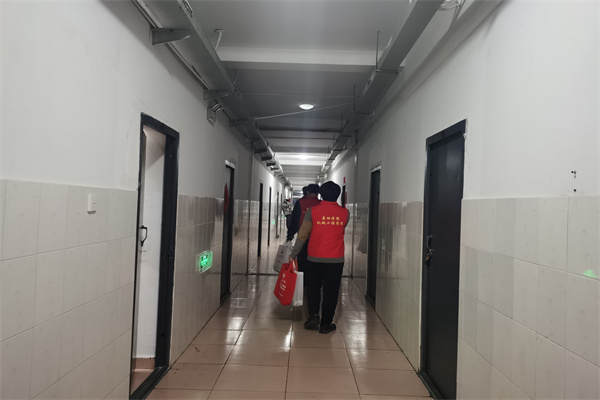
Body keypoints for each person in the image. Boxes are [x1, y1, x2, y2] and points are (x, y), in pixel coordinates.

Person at [290, 181, 349, 334]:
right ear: (338, 195)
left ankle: (313, 316)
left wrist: (294, 254)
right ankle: (326, 324)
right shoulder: (345, 213)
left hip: (314, 257)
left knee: (313, 288)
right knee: (331, 291)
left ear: (321, 194)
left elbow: (303, 235)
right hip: (335, 259)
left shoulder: (312, 211)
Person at [286, 184, 321, 271]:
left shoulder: (300, 202)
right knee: (315, 262)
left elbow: (295, 220)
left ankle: (302, 277)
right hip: (318, 238)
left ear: (308, 192)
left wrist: (290, 234)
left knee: (302, 260)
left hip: (303, 238)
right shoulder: (321, 204)